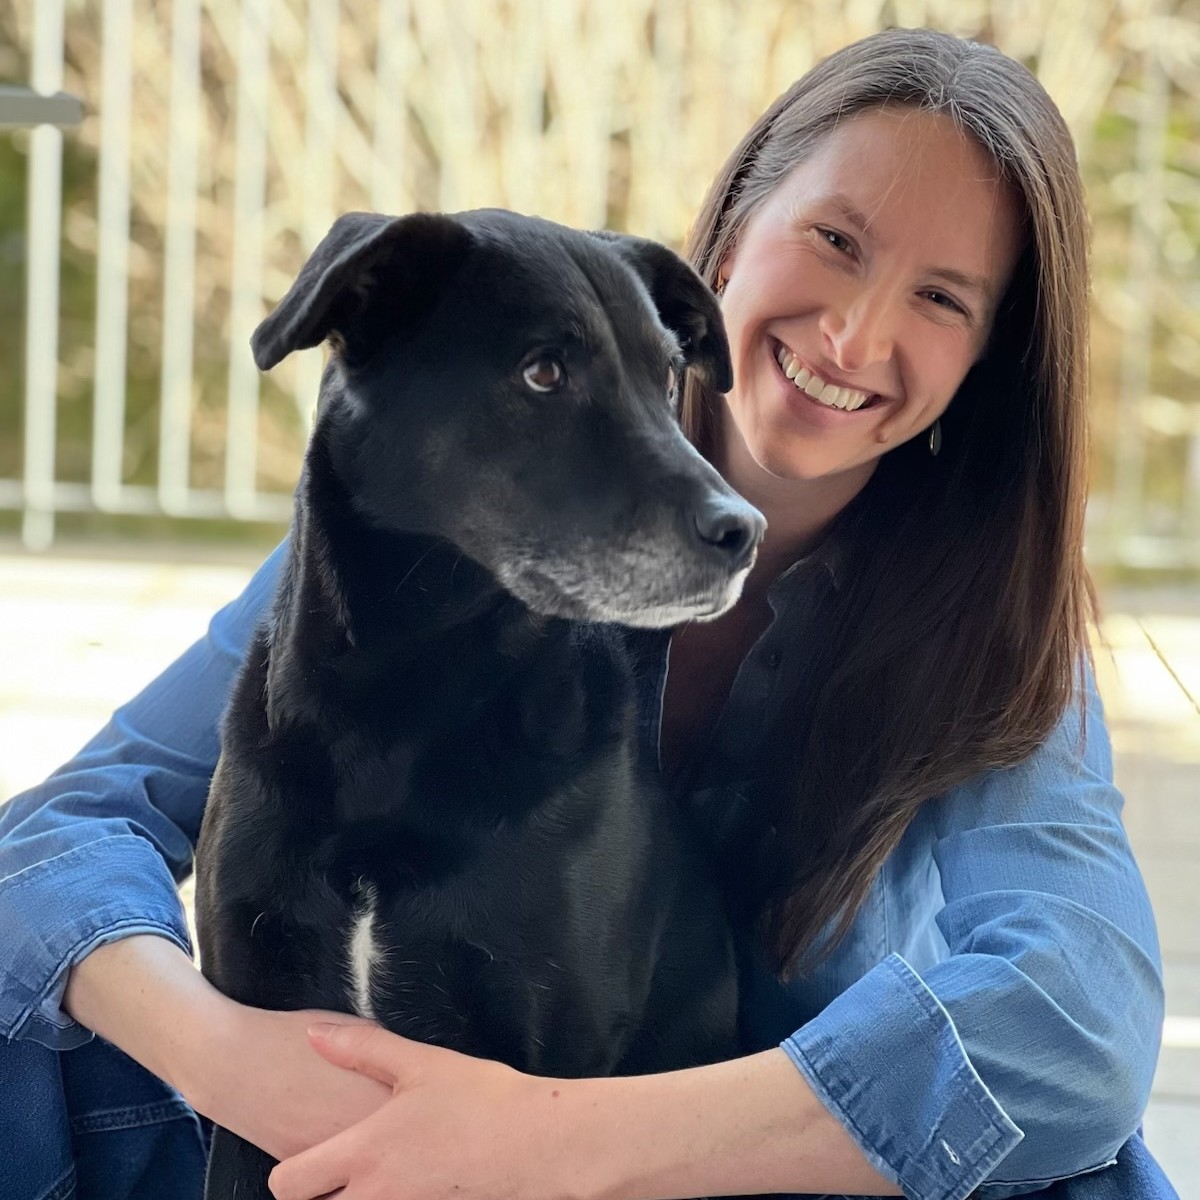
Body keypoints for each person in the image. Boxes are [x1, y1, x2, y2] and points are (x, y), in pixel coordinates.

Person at [0, 26, 1178, 1200]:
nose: (858, 335)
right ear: (733, 235)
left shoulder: (995, 647)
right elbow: (59, 834)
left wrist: (554, 1141)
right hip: (353, 1139)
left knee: (1084, 1169)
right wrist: (230, 1062)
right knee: (38, 1021)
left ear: (983, 364)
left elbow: (1080, 1020)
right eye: (836, 240)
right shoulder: (437, 532)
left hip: (737, 1173)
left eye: (941, 297)